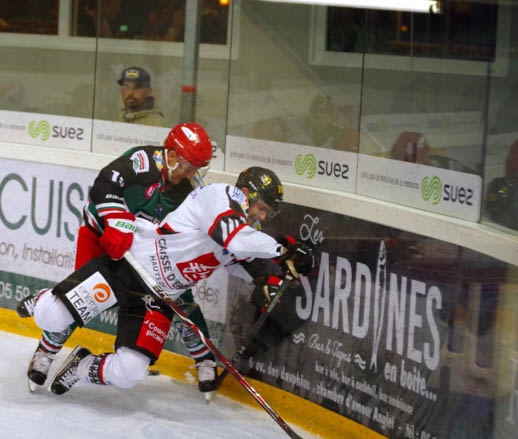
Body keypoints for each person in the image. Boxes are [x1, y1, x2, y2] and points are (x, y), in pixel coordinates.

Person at [19, 167, 316, 396]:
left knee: (130, 373)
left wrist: (267, 279)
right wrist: (285, 249)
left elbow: (237, 259)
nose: (262, 216)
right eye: (262, 208)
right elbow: (235, 241)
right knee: (50, 316)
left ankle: (82, 367)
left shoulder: (238, 225)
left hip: (157, 298)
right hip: (129, 268)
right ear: (246, 194)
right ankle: (45, 298)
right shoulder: (218, 196)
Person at [20, 122, 221, 394]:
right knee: (78, 299)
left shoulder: (190, 190)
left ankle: (204, 358)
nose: (192, 174)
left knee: (180, 297)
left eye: (198, 168)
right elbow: (104, 183)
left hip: (141, 256)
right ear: (172, 156)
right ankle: (46, 351)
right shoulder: (142, 162)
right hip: (101, 235)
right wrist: (118, 223)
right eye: (189, 166)